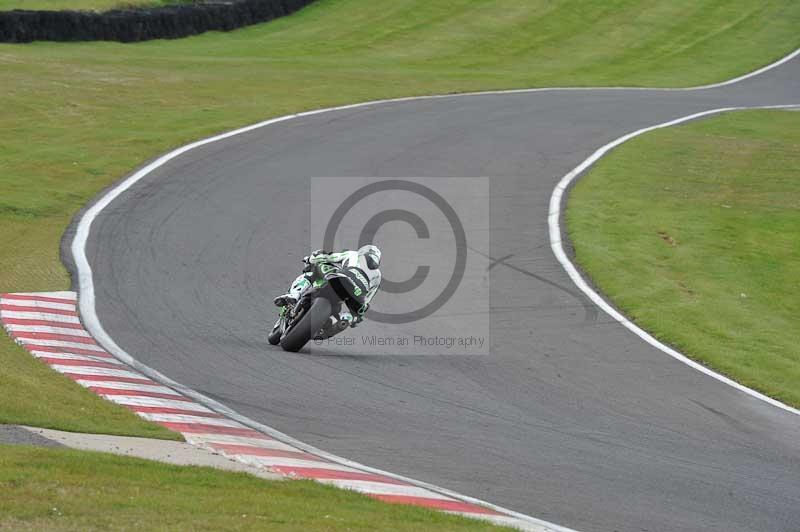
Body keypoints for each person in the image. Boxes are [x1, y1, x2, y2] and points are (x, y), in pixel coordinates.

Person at [273, 244, 381, 339]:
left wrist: (311, 259)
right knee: (354, 315)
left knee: (309, 275)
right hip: (357, 294)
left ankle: (294, 296)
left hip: (343, 279)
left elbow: (330, 257)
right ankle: (341, 320)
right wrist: (357, 315)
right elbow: (368, 299)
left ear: (362, 251)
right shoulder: (378, 276)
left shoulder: (354, 254)